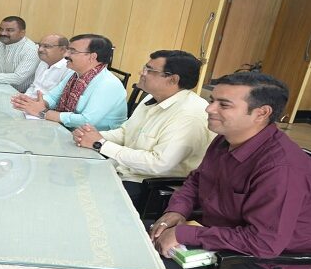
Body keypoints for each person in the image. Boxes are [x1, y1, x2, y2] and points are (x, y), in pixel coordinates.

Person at [100, 72, 311, 269]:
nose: (209, 109)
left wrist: (184, 234)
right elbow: (196, 180)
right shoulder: (226, 139)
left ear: (261, 113)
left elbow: (265, 243)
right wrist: (176, 212)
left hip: (265, 263)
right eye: (212, 100)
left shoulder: (281, 168)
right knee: (127, 232)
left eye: (224, 104)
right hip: (220, 235)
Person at [73, 50, 213, 209]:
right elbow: (126, 132)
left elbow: (158, 164)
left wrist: (100, 144)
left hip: (155, 188)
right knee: (75, 178)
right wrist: (90, 136)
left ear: (173, 79)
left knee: (85, 200)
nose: (142, 72)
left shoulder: (190, 114)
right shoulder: (152, 97)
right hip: (126, 171)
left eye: (149, 70)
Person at [11, 34, 127, 131]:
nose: (66, 55)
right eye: (68, 50)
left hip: (97, 142)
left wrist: (44, 113)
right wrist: (33, 102)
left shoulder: (108, 84)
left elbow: (86, 121)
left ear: (92, 57)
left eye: (72, 51)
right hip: (69, 132)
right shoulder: (75, 75)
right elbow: (53, 97)